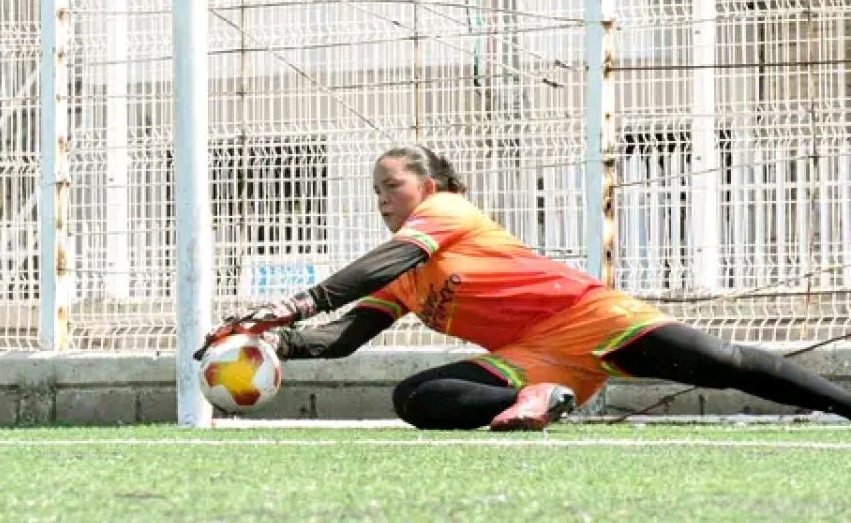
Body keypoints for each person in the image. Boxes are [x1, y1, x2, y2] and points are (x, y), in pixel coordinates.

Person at [195, 145, 851, 430]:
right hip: (532, 361)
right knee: (412, 397)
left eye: (391, 186)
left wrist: (296, 303)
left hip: (588, 316)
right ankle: (535, 400)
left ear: (428, 187)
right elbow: (343, 338)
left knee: (723, 363)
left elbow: (381, 263)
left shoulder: (446, 212)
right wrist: (267, 341)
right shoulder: (404, 279)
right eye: (375, 192)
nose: (382, 200)